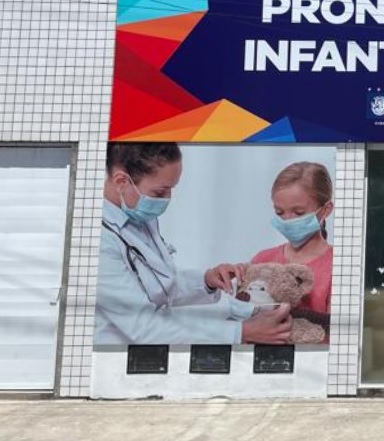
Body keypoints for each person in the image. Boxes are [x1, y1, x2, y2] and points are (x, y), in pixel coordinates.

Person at [94, 142, 293, 345]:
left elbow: (159, 285)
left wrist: (206, 280)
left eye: (171, 189)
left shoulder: (138, 217)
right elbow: (143, 327)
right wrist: (241, 333)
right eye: (159, 193)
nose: (167, 199)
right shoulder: (96, 240)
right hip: (114, 355)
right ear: (121, 181)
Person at [248, 162, 334, 340]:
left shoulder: (339, 265)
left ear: (325, 210)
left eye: (299, 212)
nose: (287, 220)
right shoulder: (262, 259)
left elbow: (338, 335)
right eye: (279, 212)